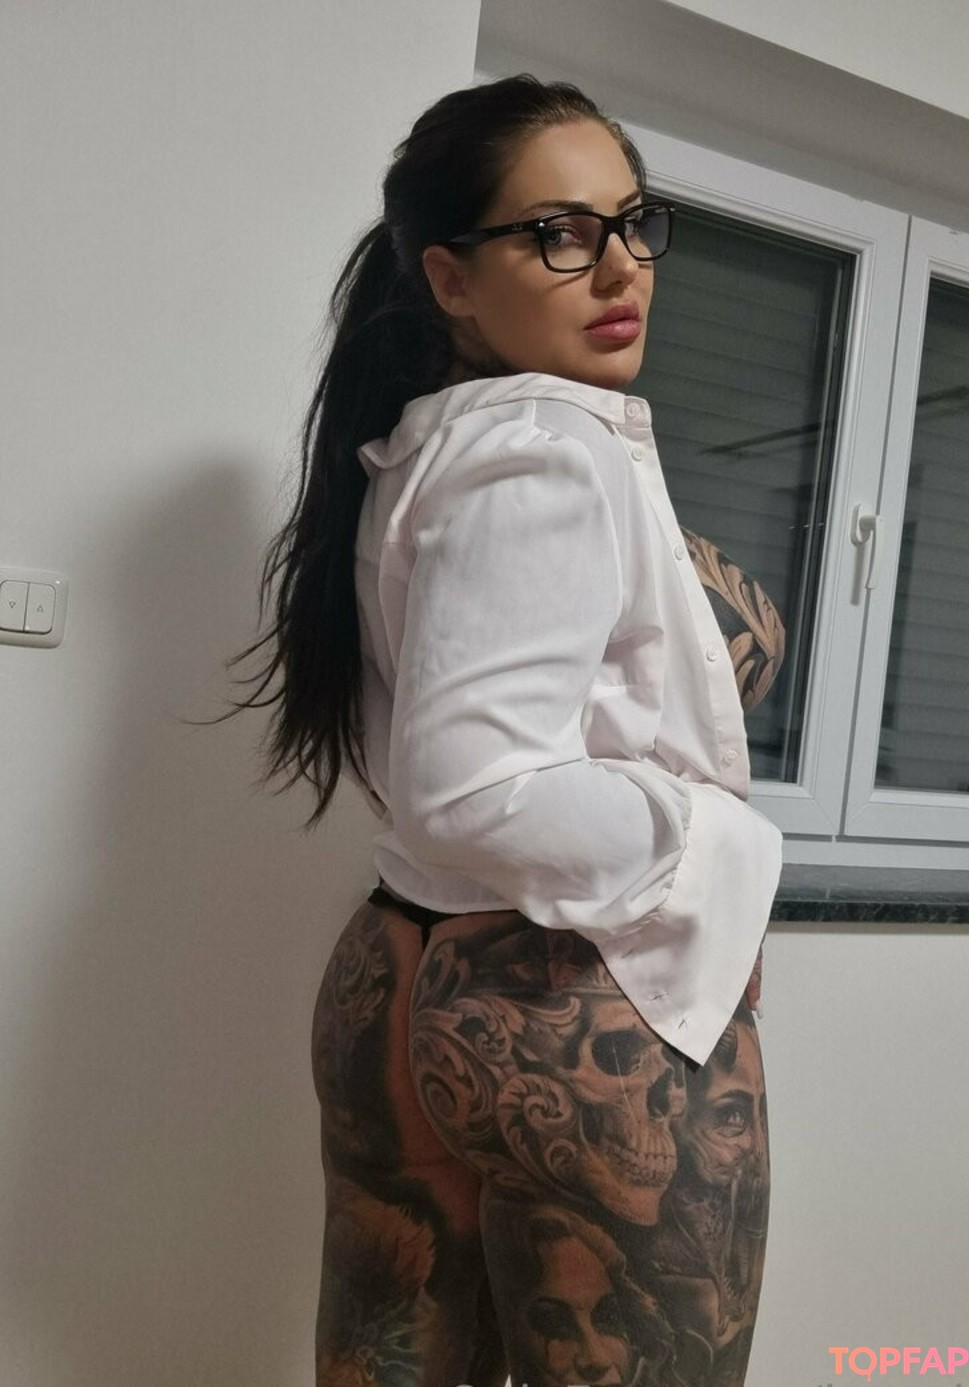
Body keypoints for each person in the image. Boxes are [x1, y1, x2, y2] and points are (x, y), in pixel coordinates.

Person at [236, 73, 784, 1387]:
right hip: (569, 995)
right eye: (557, 234)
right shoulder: (547, 445)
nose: (620, 266)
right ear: (450, 279)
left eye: (632, 222)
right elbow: (472, 789)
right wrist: (713, 844)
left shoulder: (427, 449)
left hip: (398, 970)